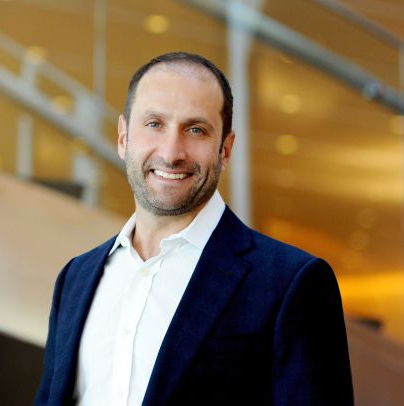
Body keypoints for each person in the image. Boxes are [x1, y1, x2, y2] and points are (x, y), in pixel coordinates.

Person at [34, 52, 353, 406]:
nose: (172, 153)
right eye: (154, 124)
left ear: (225, 149)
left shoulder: (289, 283)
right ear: (123, 137)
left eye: (196, 130)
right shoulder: (76, 278)